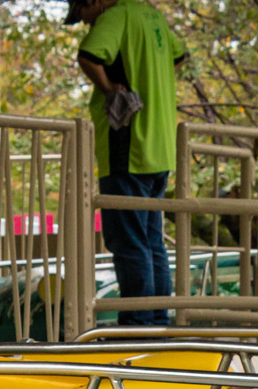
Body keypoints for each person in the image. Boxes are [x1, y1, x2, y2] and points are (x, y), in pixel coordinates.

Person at [68, 0, 186, 327]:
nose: (85, 23)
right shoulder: (153, 16)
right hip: (160, 147)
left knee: (129, 241)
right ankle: (158, 322)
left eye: (82, 14)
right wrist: (153, 79)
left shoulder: (116, 15)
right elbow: (179, 56)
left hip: (129, 146)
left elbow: (88, 56)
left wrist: (109, 88)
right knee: (151, 241)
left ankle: (137, 326)